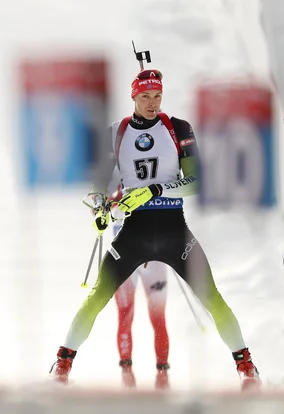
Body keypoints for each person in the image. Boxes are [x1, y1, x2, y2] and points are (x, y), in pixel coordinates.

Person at [50, 69, 260, 391]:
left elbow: (196, 181)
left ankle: (245, 365)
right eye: (145, 96)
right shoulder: (116, 134)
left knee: (213, 298)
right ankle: (62, 363)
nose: (152, 103)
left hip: (174, 231)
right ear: (133, 96)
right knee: (96, 298)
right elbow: (95, 188)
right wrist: (100, 210)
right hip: (132, 233)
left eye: (157, 96)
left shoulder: (177, 129)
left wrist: (154, 190)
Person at [107, 188, 170, 390]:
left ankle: (162, 372)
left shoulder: (155, 179)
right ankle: (126, 372)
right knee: (124, 316)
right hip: (125, 262)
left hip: (154, 262)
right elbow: (98, 208)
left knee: (158, 318)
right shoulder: (114, 180)